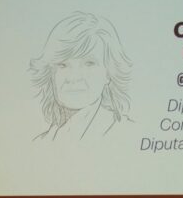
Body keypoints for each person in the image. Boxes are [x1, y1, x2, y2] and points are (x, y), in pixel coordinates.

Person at [29, 11, 132, 141]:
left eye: (89, 63)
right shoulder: (41, 142)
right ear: (50, 73)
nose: (73, 77)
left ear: (108, 73)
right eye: (63, 65)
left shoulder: (125, 133)